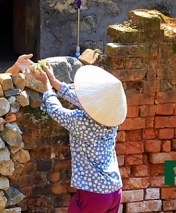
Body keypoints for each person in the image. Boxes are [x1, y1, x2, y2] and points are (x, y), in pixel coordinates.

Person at [30, 62, 126, 213]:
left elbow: (56, 111)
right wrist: (54, 80)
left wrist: (46, 84)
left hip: (95, 193)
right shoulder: (111, 119)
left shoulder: (82, 121)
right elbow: (82, 100)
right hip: (114, 190)